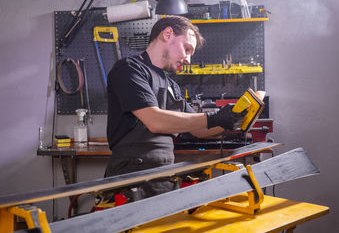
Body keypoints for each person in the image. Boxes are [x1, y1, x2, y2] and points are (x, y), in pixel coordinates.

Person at [104, 15, 245, 202]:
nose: (188, 59)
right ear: (167, 34)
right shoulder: (129, 69)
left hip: (163, 176)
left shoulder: (172, 86)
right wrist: (215, 117)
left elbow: (200, 129)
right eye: (186, 49)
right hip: (130, 179)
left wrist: (237, 119)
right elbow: (154, 121)